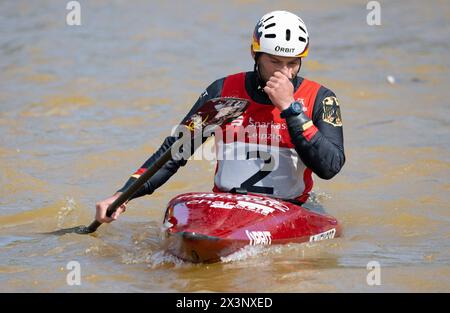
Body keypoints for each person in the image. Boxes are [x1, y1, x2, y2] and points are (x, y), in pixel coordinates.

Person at [95, 10, 345, 223]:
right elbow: (175, 153)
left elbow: (330, 167)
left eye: (293, 63)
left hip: (291, 209)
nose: (284, 73)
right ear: (254, 54)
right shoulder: (223, 92)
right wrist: (123, 194)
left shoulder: (320, 98)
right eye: (274, 61)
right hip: (228, 208)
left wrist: (291, 109)